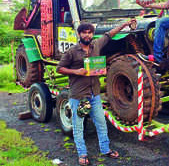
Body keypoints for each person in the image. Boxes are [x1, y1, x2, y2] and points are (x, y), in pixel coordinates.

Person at [56, 19, 136, 165]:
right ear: (79, 34)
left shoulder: (96, 46)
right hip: (81, 97)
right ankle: (82, 154)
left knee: (101, 123)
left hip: (94, 95)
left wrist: (124, 24)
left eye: (89, 32)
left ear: (92, 34)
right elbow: (59, 68)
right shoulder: (72, 52)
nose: (87, 35)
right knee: (79, 126)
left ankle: (105, 149)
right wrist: (76, 71)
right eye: (84, 33)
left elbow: (109, 34)